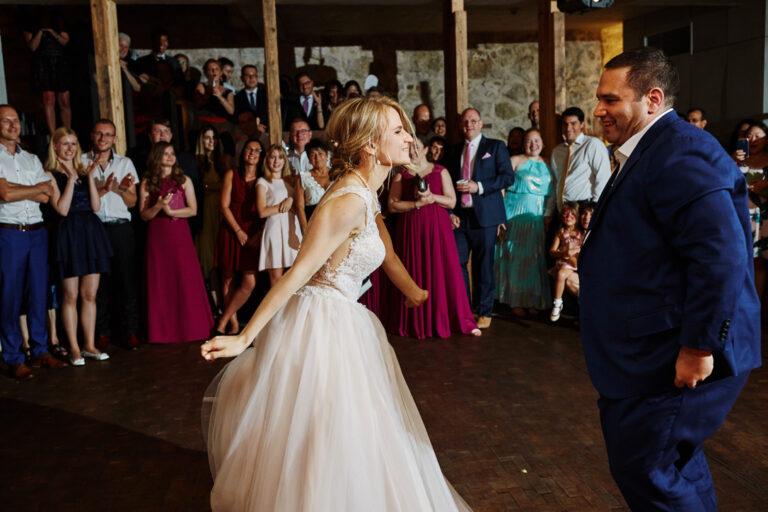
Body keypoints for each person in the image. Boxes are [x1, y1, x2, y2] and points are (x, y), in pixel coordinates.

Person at [200, 95, 470, 511]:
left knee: (353, 434)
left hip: (345, 315)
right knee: (332, 434)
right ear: (368, 145)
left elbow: (385, 253)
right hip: (323, 324)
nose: (408, 137)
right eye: (397, 131)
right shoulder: (347, 201)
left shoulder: (367, 192)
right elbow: (296, 273)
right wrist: (243, 338)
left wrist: (414, 291)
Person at [582, 47, 760, 510]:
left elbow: (720, 256)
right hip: (650, 353)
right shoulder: (652, 149)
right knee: (672, 467)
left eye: (611, 100)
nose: (599, 110)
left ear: (653, 99)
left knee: (647, 470)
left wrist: (699, 347)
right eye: (600, 100)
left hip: (672, 358)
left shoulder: (681, 151)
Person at [387, 137, 480, 339]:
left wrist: (431, 198)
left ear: (426, 149)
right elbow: (393, 205)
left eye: (416, 148)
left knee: (443, 270)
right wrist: (416, 204)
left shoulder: (440, 170)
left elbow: (452, 201)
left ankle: (453, 319)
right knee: (414, 269)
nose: (413, 152)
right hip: (411, 228)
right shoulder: (401, 175)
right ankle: (415, 321)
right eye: (409, 148)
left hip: (437, 229)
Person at [0, 105, 67, 379]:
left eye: (15, 120)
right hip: (9, 232)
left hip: (38, 232)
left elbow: (46, 195)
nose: (13, 125)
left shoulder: (31, 158)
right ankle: (15, 357)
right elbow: (4, 194)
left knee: (39, 292)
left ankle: (40, 351)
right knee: (10, 296)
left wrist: (23, 190)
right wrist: (31, 189)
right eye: (6, 120)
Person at [45, 128, 113, 365]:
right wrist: (71, 181)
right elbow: (62, 208)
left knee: (89, 294)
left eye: (73, 144)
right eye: (65, 144)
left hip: (90, 233)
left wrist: (90, 178)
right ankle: (74, 347)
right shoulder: (51, 174)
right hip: (69, 234)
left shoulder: (85, 171)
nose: (70, 148)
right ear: (55, 146)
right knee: (70, 295)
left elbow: (95, 205)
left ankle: (89, 345)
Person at [445, 107, 514, 329]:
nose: (469, 125)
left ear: (481, 123)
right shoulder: (453, 151)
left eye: (473, 121)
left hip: (486, 216)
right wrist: (449, 212)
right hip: (460, 218)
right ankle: (465, 310)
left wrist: (480, 186)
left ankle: (484, 311)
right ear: (460, 125)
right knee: (458, 263)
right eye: (465, 122)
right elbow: (446, 184)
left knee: (484, 266)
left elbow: (507, 177)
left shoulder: (495, 147)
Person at [139, 142, 213, 343]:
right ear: (157, 157)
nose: (170, 157)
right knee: (161, 280)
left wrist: (171, 212)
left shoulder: (184, 179)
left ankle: (191, 328)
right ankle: (162, 331)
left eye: (172, 153)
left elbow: (193, 210)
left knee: (184, 277)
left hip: (179, 233)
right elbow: (144, 215)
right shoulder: (147, 181)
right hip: (158, 235)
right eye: (165, 154)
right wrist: (159, 206)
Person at [83, 119, 141, 351]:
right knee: (98, 284)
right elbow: (80, 199)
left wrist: (117, 188)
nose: (103, 138)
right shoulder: (82, 161)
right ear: (92, 135)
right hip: (94, 227)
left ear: (115, 139)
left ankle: (130, 332)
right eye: (99, 134)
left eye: (108, 135)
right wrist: (103, 188)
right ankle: (102, 333)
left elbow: (133, 201)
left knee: (126, 280)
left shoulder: (125, 163)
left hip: (120, 227)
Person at [494, 128, 552, 316]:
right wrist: (500, 216)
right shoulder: (515, 161)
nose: (533, 144)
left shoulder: (547, 163)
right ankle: (515, 300)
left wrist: (547, 215)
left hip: (536, 215)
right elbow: (501, 188)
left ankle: (534, 300)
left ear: (542, 142)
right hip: (514, 212)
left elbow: (552, 192)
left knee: (534, 258)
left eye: (536, 140)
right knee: (516, 258)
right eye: (529, 140)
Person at [215, 139, 263, 335]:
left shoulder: (263, 178)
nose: (252, 153)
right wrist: (237, 231)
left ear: (261, 155)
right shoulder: (231, 174)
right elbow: (224, 206)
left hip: (253, 232)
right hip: (232, 229)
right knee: (227, 278)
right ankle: (233, 323)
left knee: (249, 281)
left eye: (257, 150)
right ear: (243, 152)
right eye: (249, 149)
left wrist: (256, 234)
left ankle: (223, 319)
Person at [549, 106, 611, 214]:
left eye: (573, 123)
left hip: (584, 208)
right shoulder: (557, 151)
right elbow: (554, 182)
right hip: (562, 209)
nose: (568, 128)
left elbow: (603, 178)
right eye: (565, 124)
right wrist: (549, 212)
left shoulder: (593, 144)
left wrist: (594, 207)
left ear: (582, 124)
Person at [257, 145, 301, 286]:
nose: (277, 161)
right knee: (276, 279)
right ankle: (277, 309)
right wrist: (284, 204)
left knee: (295, 275)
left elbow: (299, 205)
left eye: (280, 157)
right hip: (275, 229)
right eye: (272, 157)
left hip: (291, 228)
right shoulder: (263, 182)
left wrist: (291, 199)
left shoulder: (290, 181)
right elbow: (262, 211)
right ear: (267, 160)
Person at [194, 125, 227, 312]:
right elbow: (199, 187)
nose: (211, 141)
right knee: (208, 259)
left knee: (222, 259)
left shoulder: (222, 161)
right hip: (205, 214)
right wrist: (212, 187)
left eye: (214, 137)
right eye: (207, 137)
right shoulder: (196, 161)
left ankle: (223, 304)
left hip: (220, 212)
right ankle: (214, 306)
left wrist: (212, 186)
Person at [23, 12, 71, 136]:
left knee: (64, 100)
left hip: (59, 61)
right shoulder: (31, 22)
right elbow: (32, 47)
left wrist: (51, 32)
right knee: (49, 99)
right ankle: (53, 134)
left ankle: (68, 132)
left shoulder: (58, 19)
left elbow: (65, 42)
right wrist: (40, 31)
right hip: (43, 63)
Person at [548, 202, 582, 322]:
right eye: (566, 214)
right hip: (564, 264)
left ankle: (559, 303)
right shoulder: (560, 233)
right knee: (562, 273)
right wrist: (563, 253)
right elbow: (552, 251)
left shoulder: (580, 233)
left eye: (572, 214)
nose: (568, 217)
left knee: (563, 273)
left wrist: (573, 251)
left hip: (576, 266)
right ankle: (557, 303)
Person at [295, 138, 331, 233]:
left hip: (336, 221)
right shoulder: (303, 177)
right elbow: (299, 207)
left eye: (320, 153)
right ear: (309, 159)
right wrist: (305, 229)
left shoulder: (337, 174)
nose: (317, 158)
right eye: (312, 155)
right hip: (313, 224)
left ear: (326, 155)